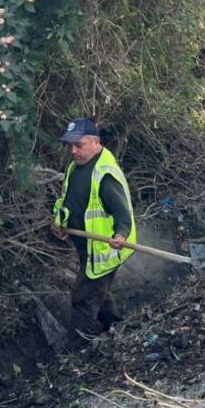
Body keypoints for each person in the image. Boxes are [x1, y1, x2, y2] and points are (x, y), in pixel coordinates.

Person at [51, 118, 136, 345]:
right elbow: (67, 199)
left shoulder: (104, 174)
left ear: (96, 142)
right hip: (85, 246)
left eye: (78, 145)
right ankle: (114, 325)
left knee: (83, 298)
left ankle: (77, 348)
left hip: (103, 250)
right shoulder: (75, 167)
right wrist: (59, 221)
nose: (73, 151)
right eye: (70, 146)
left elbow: (122, 213)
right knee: (99, 292)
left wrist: (121, 235)